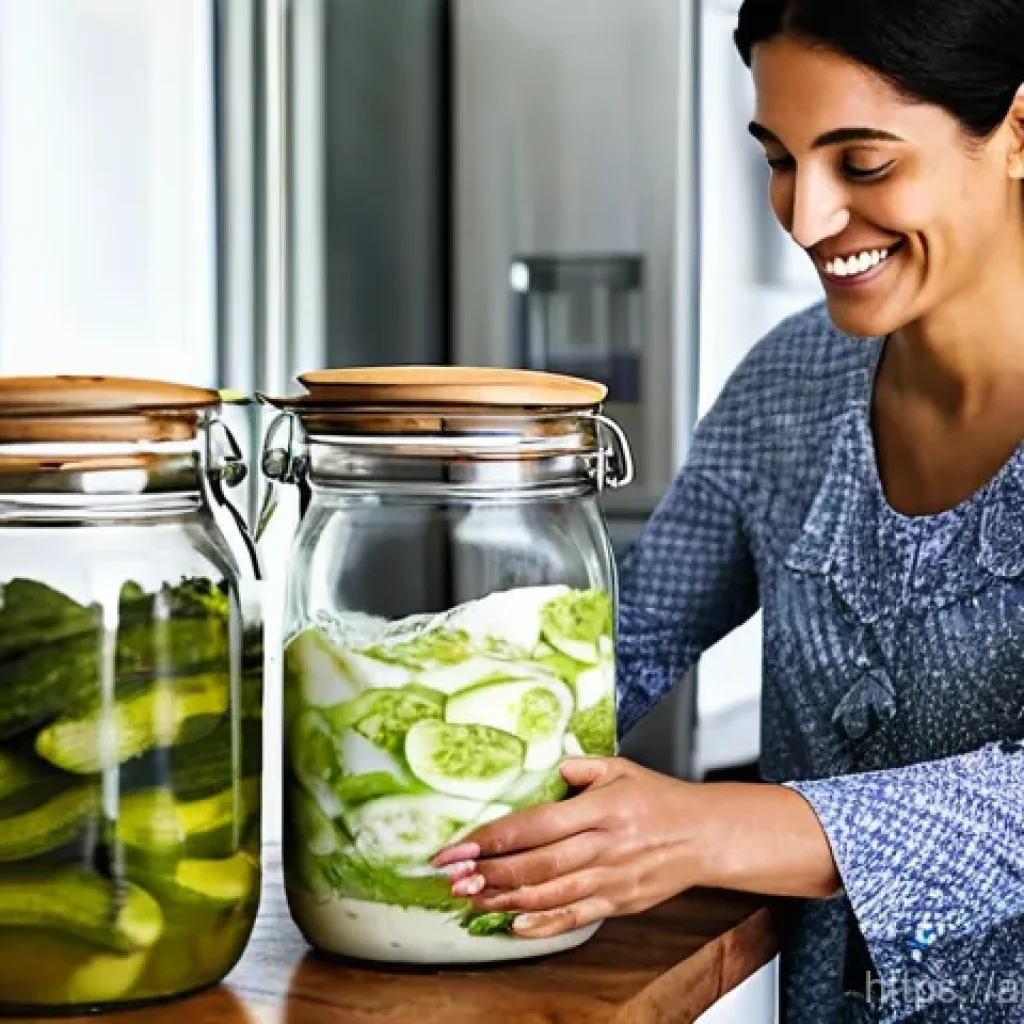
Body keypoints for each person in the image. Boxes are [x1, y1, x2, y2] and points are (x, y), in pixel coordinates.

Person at [433, 0, 1024, 1020]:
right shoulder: (788, 384)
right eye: (780, 160)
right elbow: (623, 642)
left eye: (864, 163)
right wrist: (388, 729)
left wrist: (715, 828)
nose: (808, 219)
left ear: (1015, 128)